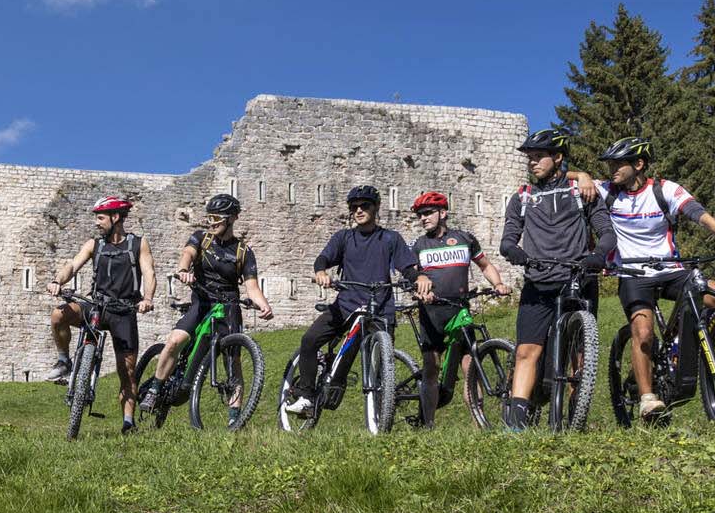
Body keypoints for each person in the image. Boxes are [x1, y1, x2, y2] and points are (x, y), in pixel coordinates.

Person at [571, 136, 715, 420]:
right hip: (632, 274)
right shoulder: (606, 191)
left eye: (618, 163)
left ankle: (688, 347)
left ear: (639, 164)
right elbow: (557, 178)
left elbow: (701, 216)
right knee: (643, 332)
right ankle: (647, 399)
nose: (612, 169)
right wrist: (581, 175)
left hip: (671, 270)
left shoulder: (665, 190)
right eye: (610, 164)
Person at [498, 127, 616, 431]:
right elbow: (508, 238)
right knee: (527, 351)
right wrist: (513, 250)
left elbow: (607, 232)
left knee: (580, 355)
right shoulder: (522, 197)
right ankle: (516, 424)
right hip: (537, 283)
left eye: (539, 156)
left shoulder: (582, 191)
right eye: (530, 158)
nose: (532, 162)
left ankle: (576, 419)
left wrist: (597, 255)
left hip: (578, 280)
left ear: (558, 157)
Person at [280, 185, 429, 420]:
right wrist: (321, 272)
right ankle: (306, 395)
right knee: (309, 340)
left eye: (364, 206)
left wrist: (419, 278)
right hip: (346, 305)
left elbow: (407, 267)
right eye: (354, 207)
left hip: (380, 308)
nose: (359, 210)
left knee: (382, 364)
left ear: (376, 208)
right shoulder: (344, 238)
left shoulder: (390, 238)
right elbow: (323, 258)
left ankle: (381, 413)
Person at [140, 193, 273, 425]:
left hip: (229, 306)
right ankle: (155, 389)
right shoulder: (202, 238)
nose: (212, 222)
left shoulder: (243, 252)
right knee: (175, 340)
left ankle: (234, 419)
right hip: (202, 301)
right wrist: (183, 270)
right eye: (209, 217)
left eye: (217, 218)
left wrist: (263, 304)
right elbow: (187, 254)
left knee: (234, 363)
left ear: (232, 218)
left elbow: (251, 286)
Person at [45, 196, 158, 433]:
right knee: (58, 315)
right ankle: (64, 361)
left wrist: (147, 299)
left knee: (127, 372)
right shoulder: (93, 244)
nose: (97, 223)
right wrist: (57, 281)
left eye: (100, 218)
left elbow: (149, 273)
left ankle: (128, 422)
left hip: (124, 311)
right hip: (95, 306)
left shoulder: (138, 244)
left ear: (115, 218)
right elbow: (72, 266)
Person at [406, 190, 512, 427]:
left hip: (459, 310)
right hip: (431, 313)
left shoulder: (465, 239)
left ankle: (478, 424)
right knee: (431, 368)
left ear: (443, 213)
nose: (423, 218)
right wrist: (420, 289)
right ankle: (428, 424)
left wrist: (498, 284)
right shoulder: (418, 245)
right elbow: (411, 275)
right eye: (420, 215)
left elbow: (484, 265)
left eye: (428, 213)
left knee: (470, 367)